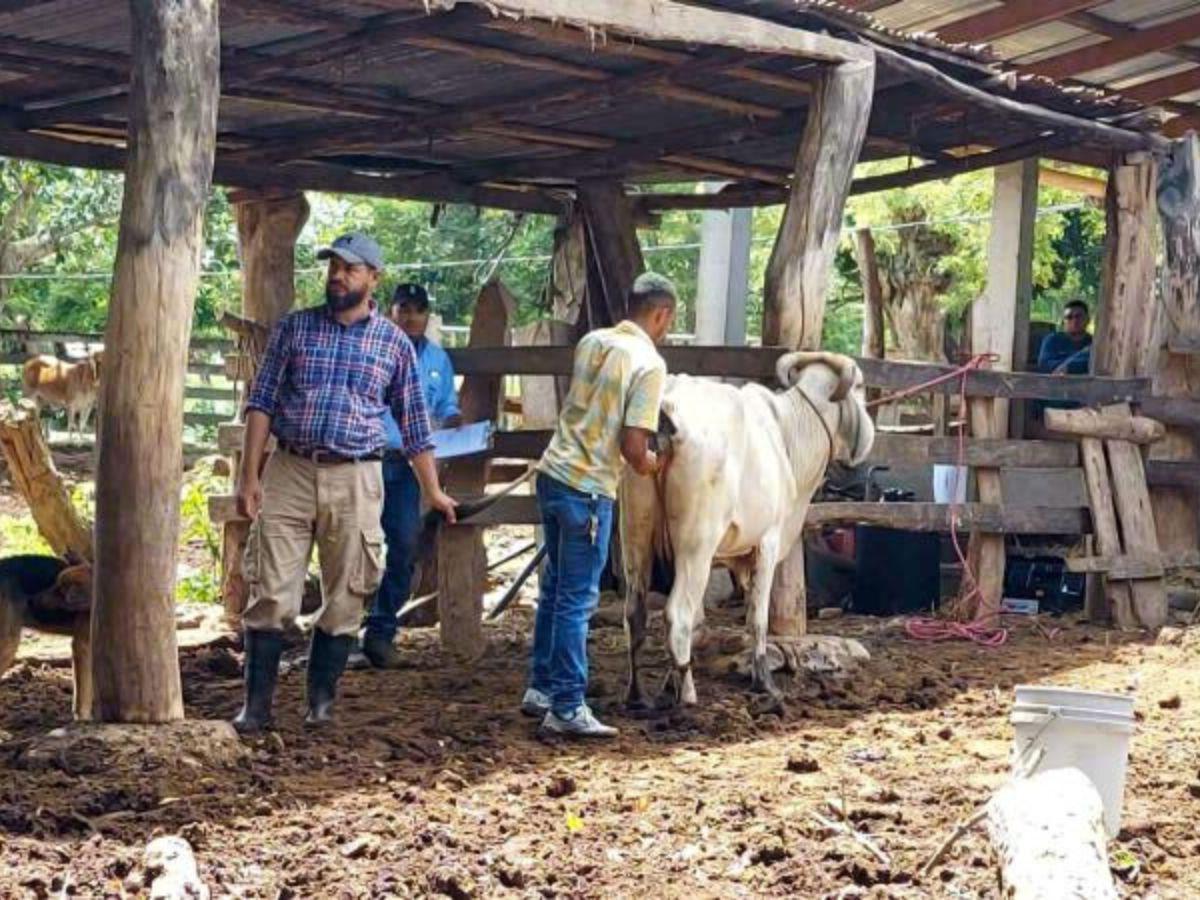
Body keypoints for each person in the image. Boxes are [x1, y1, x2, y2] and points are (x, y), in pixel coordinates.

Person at [232, 232, 457, 735]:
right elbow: (262, 402)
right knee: (272, 590)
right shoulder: (294, 329)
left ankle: (321, 703)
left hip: (357, 473)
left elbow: (415, 424)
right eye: (333, 266)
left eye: (350, 269)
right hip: (290, 468)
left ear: (373, 278)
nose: (338, 275)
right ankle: (257, 706)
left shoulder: (394, 343)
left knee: (347, 591)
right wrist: (250, 477)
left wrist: (432, 490)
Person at [521, 272, 677, 739]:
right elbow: (632, 445)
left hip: (551, 474)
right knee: (577, 598)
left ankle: (542, 687)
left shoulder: (592, 341)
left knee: (554, 588)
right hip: (588, 485)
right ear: (661, 314)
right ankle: (568, 705)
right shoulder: (649, 363)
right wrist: (653, 463)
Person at [361, 283, 462, 668]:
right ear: (391, 312)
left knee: (403, 546)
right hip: (366, 459)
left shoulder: (437, 359)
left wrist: (453, 422)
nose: (410, 317)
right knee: (354, 546)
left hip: (407, 465)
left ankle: (380, 632)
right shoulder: (372, 348)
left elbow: (447, 405)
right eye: (404, 309)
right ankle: (338, 631)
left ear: (427, 315)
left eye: (418, 310)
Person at [1037, 300, 1092, 375]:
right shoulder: (1052, 340)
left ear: (1088, 320)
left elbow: (1095, 364)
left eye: (1078, 316)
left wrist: (1068, 367)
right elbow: (1044, 364)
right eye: (1069, 317)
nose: (1074, 321)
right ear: (1063, 322)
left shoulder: (1094, 343)